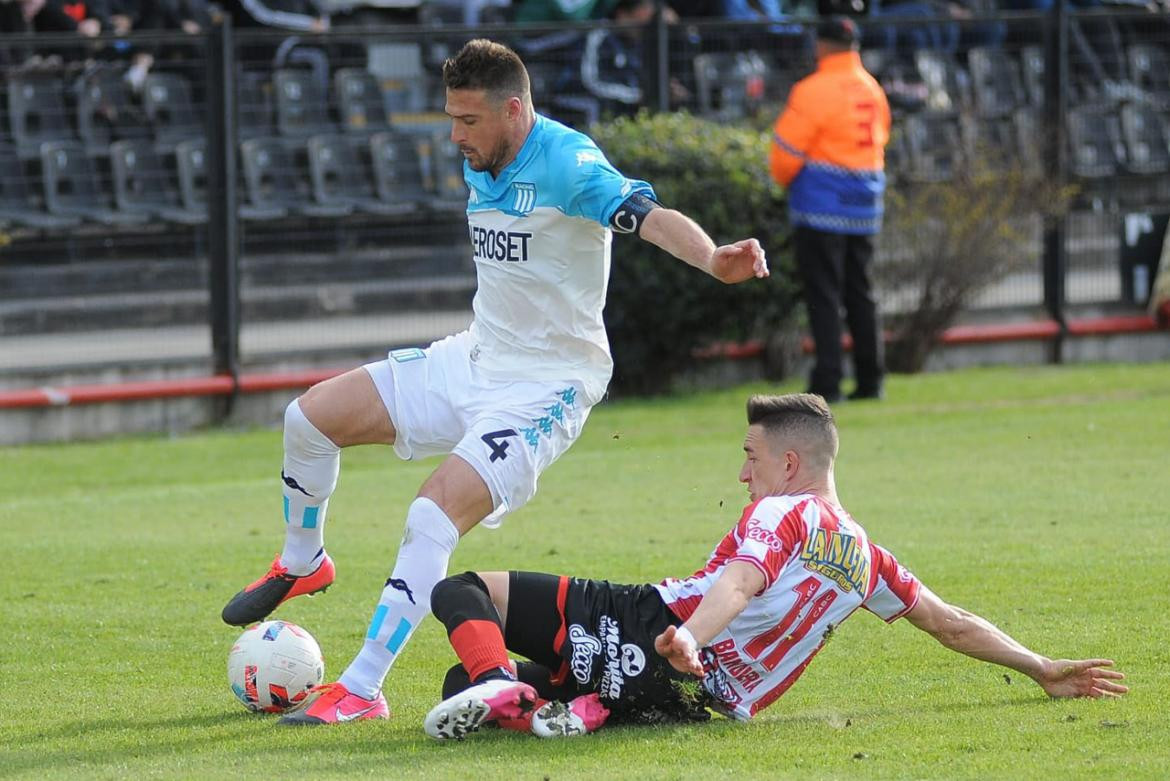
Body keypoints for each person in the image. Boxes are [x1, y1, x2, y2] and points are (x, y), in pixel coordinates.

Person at [220, 38, 770, 726]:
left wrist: (714, 257)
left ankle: (362, 687)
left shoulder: (569, 164)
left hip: (549, 386)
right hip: (475, 357)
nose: (455, 136)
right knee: (308, 418)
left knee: (430, 516)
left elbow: (647, 216)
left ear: (514, 111)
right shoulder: (485, 150)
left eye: (469, 121)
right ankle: (304, 560)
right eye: (450, 118)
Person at [421, 393, 1128, 739]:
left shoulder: (784, 512)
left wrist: (690, 635)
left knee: (463, 589)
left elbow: (738, 580)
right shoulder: (867, 560)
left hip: (655, 626)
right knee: (453, 684)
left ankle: (504, 690)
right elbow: (951, 624)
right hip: (700, 702)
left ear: (789, 463)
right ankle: (570, 704)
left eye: (752, 456)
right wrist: (1041, 667)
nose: (743, 471)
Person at [770, 16, 889, 403]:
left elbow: (785, 155)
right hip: (865, 205)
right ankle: (871, 379)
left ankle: (829, 380)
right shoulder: (873, 88)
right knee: (861, 292)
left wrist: (785, 181)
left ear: (820, 45)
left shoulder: (813, 90)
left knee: (824, 295)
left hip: (820, 206)